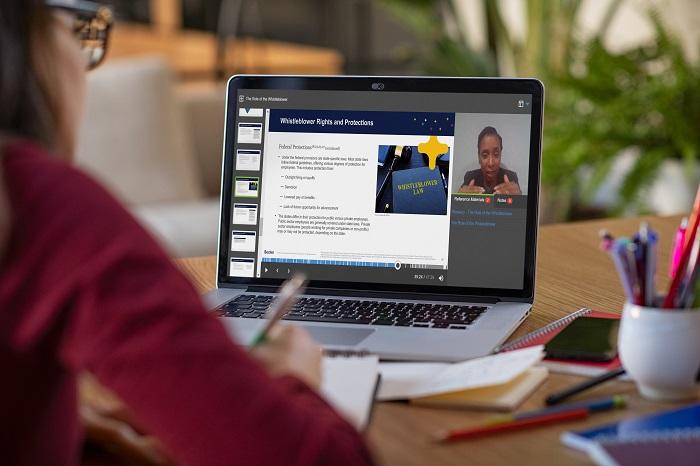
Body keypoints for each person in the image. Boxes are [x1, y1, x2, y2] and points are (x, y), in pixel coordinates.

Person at [0, 2, 373, 466]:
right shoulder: (43, 208)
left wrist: (66, 425)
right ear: (24, 38)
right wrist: (291, 380)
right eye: (79, 32)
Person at [459, 126, 522, 195]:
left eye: (496, 154)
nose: (491, 163)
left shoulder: (511, 178)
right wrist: (459, 199)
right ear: (479, 157)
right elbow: (459, 202)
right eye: (485, 155)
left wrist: (519, 200)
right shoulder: (470, 177)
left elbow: (520, 202)